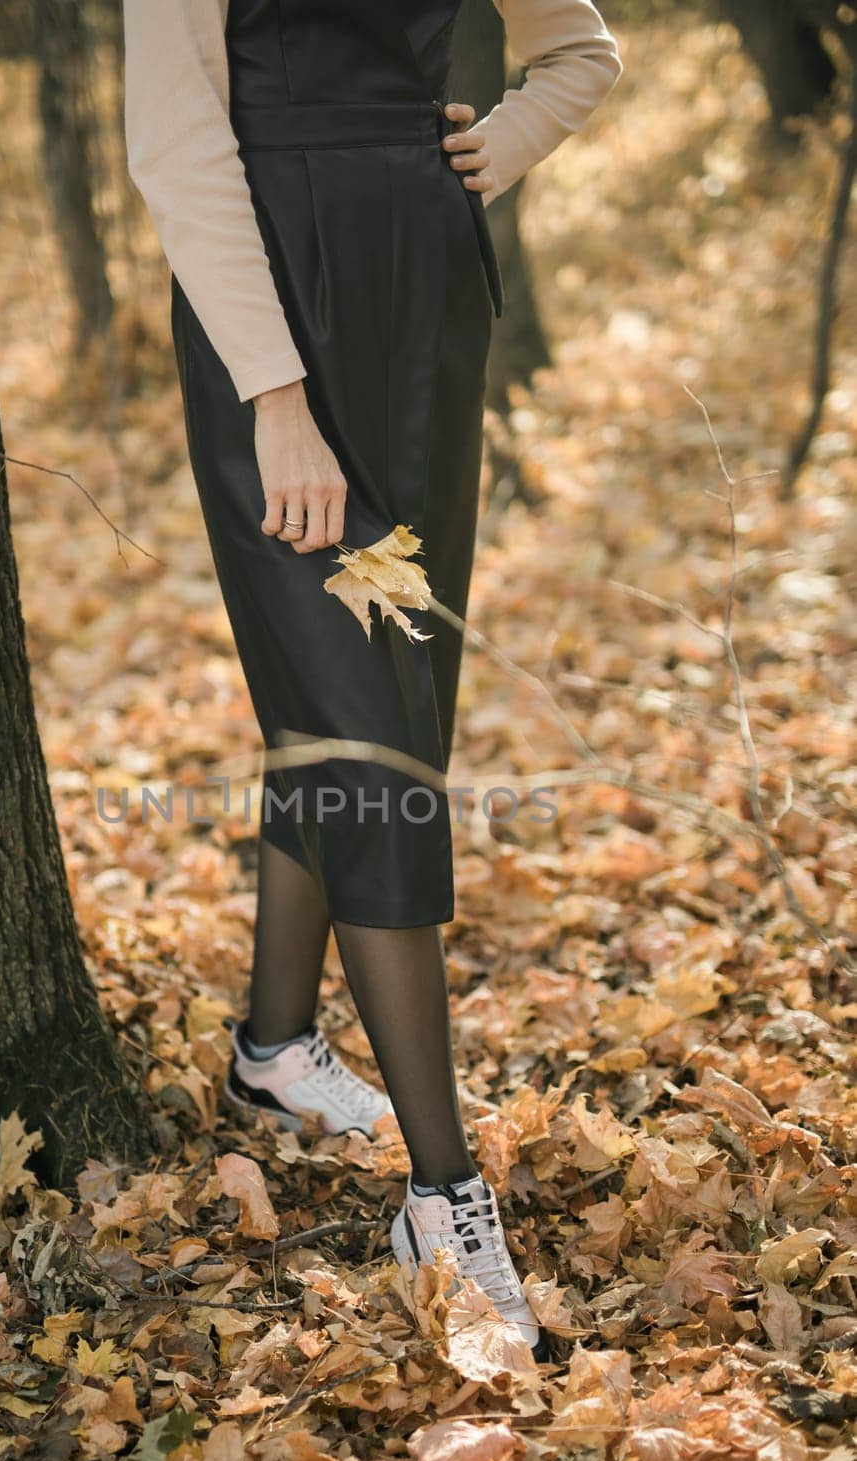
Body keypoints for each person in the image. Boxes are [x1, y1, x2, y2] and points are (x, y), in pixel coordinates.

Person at [124, 0, 622, 1358]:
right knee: (362, 731)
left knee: (384, 709)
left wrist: (496, 148)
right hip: (270, 303)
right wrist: (273, 394)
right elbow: (175, 142)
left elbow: (583, 49)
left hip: (426, 301)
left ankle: (274, 1052)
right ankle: (444, 1192)